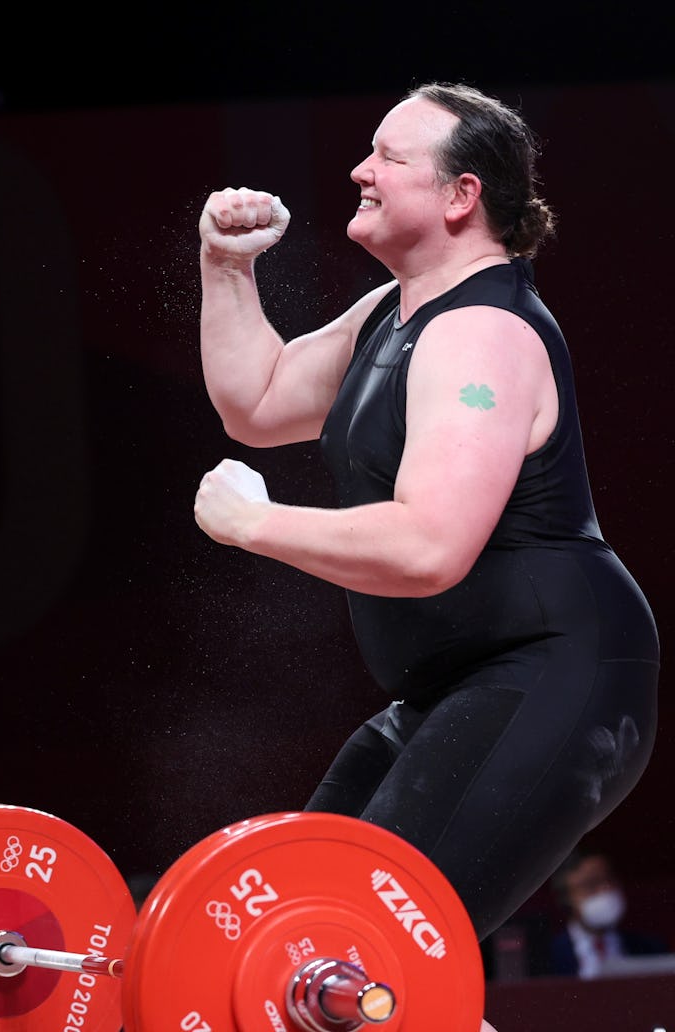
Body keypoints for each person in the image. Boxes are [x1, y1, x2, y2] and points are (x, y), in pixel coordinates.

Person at [193, 82, 659, 1031]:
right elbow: (259, 399)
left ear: (460, 197)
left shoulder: (482, 335)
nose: (360, 172)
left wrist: (259, 525)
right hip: (456, 687)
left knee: (350, 959)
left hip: (554, 675)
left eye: (389, 158)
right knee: (292, 931)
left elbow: (431, 546)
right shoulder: (392, 315)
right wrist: (224, 267)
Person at [549, 846, 669, 978]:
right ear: (566, 897)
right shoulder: (547, 955)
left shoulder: (650, 948)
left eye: (609, 879)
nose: (606, 889)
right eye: (591, 884)